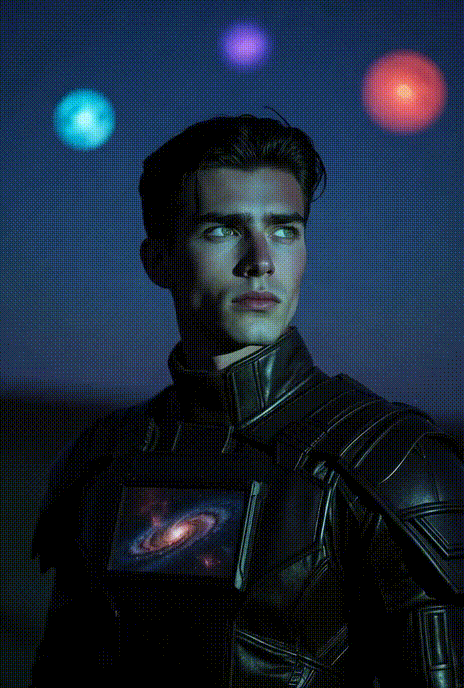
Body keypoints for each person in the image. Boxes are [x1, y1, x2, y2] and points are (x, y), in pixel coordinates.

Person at [30, 111, 463, 687]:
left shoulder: (392, 463)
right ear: (158, 261)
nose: (261, 261)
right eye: (222, 230)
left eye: (284, 230)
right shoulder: (102, 458)